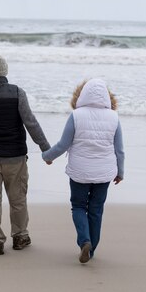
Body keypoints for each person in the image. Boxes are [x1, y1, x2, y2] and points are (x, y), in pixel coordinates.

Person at [0, 54, 51, 255]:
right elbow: (31, 123)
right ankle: (20, 236)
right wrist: (46, 148)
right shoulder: (17, 93)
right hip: (15, 158)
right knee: (18, 199)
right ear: (5, 72)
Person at [42, 78, 124, 264]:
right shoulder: (114, 117)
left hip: (80, 171)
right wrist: (121, 172)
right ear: (107, 96)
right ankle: (91, 250)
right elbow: (119, 149)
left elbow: (63, 144)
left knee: (79, 206)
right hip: (104, 173)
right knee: (96, 210)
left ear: (82, 95)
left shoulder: (77, 115)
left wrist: (48, 156)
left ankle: (84, 241)